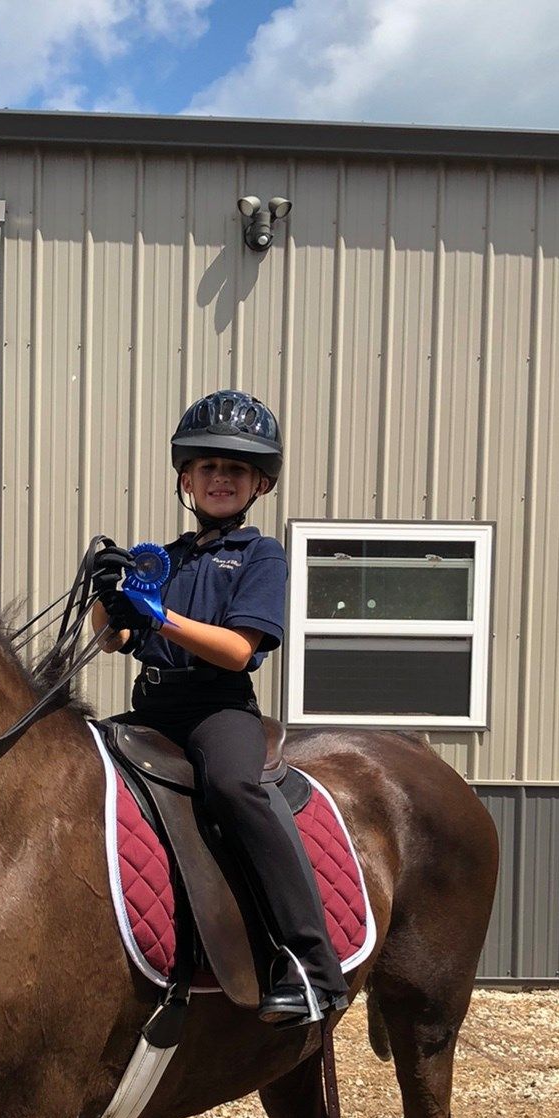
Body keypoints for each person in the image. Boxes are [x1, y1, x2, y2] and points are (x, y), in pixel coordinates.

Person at [92, 390, 350, 1028]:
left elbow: (238, 650)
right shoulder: (166, 558)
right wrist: (109, 595)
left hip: (218, 712)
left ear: (259, 483)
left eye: (235, 470)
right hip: (152, 709)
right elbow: (116, 642)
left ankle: (312, 966)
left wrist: (162, 614)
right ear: (186, 478)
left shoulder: (261, 556)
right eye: (207, 467)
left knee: (235, 790)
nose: (220, 479)